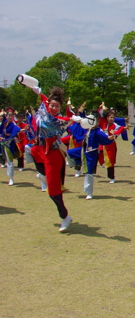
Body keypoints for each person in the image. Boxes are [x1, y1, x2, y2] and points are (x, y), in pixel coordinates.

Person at [25, 84, 77, 232]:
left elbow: (69, 118)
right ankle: (43, 175)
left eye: (57, 106)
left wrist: (78, 119)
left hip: (53, 154)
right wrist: (34, 88)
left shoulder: (59, 119)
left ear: (60, 107)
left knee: (54, 193)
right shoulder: (44, 109)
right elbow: (42, 96)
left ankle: (65, 216)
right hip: (41, 149)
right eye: (52, 105)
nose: (54, 108)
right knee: (30, 150)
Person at [1, 109, 21, 185]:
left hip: (10, 144)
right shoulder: (4, 123)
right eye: (8, 115)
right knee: (6, 160)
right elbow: (1, 131)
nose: (10, 117)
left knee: (10, 161)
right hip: (3, 143)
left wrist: (21, 130)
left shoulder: (13, 125)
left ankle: (11, 178)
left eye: (11, 115)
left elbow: (17, 130)